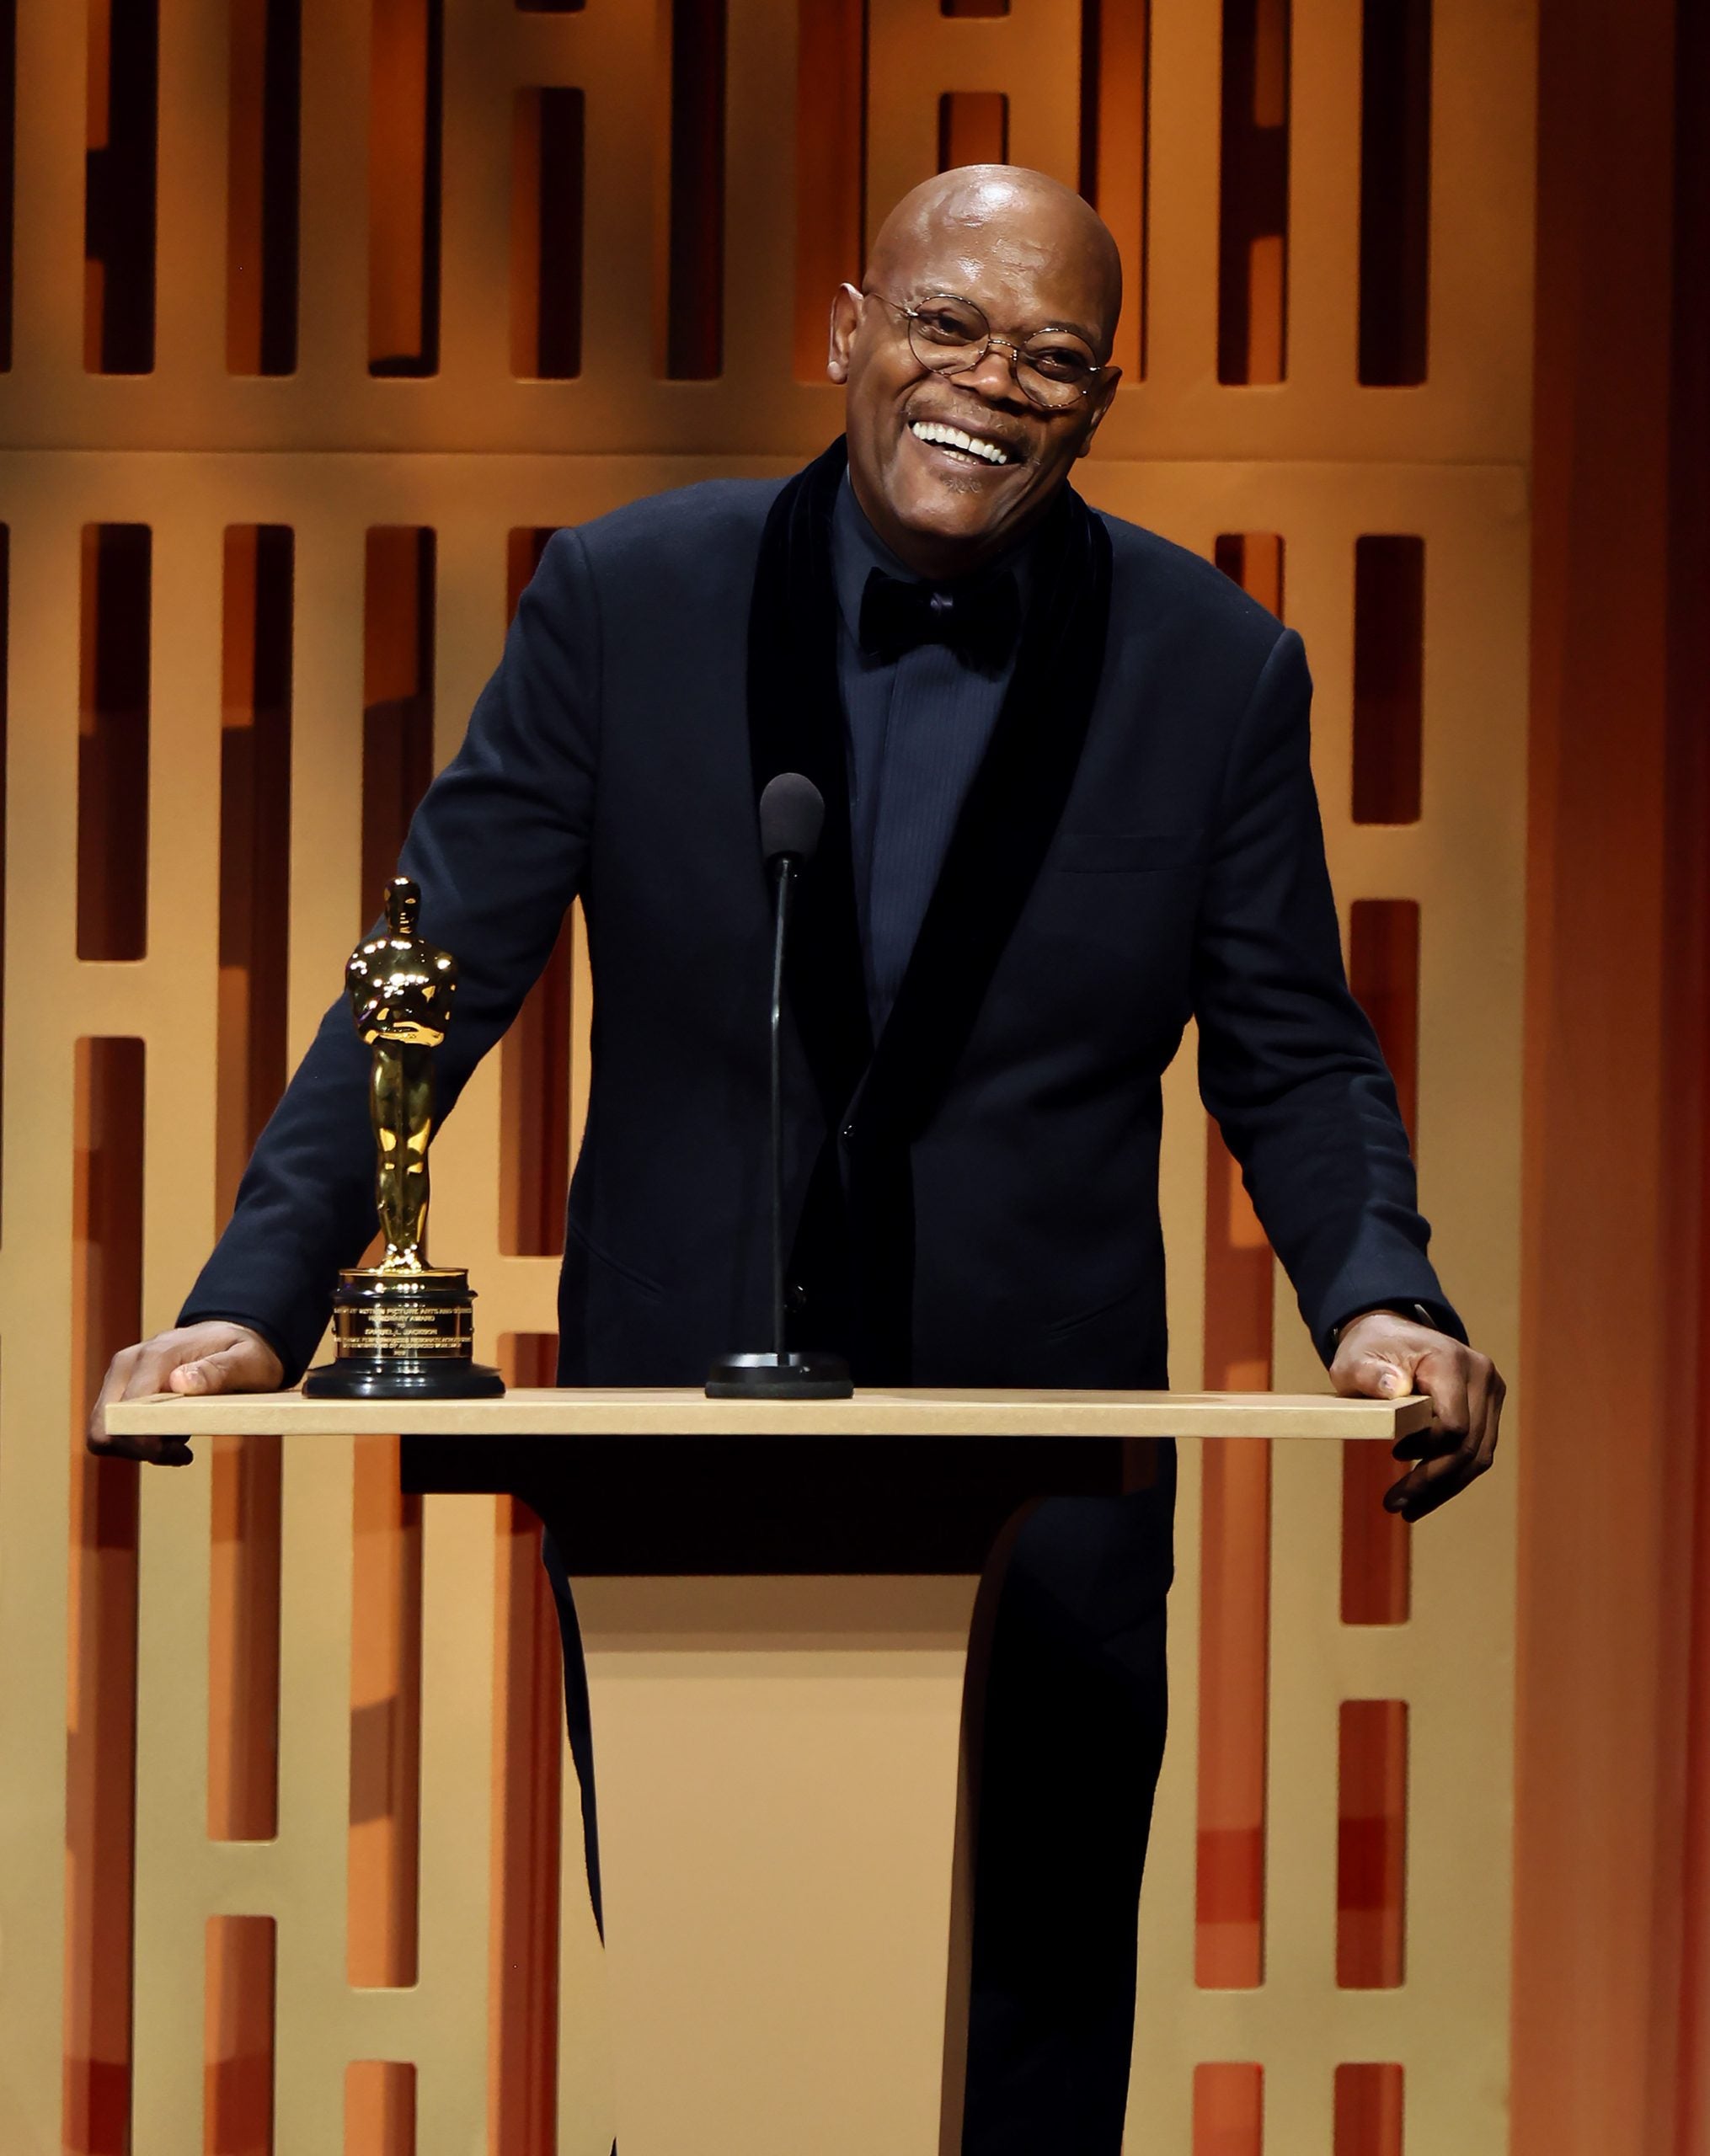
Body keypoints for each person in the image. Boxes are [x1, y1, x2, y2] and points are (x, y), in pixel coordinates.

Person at [90, 167, 1504, 2153]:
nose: (985, 385)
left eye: (1048, 357)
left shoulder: (1215, 666)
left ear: (1105, 396)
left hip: (1051, 1471)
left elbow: (1292, 1046)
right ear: (847, 326)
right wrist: (248, 1303)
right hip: (687, 1466)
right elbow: (424, 979)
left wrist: (1381, 1295)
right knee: (726, 2031)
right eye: (944, 326)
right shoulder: (622, 598)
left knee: (1024, 2038)